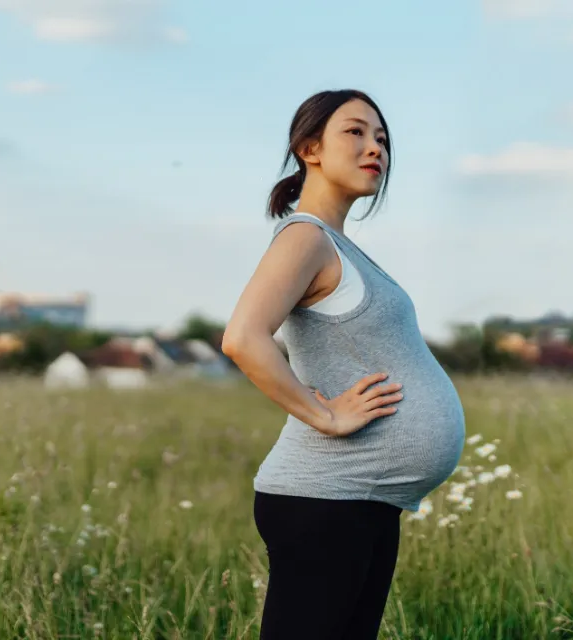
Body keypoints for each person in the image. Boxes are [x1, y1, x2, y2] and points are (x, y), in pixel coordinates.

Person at [221, 89, 466, 639]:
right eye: (354, 132)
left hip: (364, 498)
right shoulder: (304, 236)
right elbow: (243, 337)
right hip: (325, 496)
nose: (374, 146)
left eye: (381, 137)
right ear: (310, 148)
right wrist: (327, 416)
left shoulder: (336, 244)